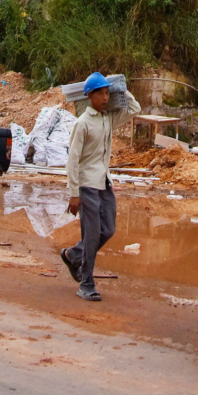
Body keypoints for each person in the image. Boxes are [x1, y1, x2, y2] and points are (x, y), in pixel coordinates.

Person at [61, 72, 141, 301]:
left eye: (107, 93)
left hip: (104, 183)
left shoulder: (108, 119)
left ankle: (73, 255)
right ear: (89, 96)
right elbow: (72, 160)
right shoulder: (82, 123)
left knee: (108, 230)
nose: (105, 97)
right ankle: (86, 284)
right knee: (93, 234)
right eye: (101, 93)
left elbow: (135, 109)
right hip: (86, 185)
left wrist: (121, 88)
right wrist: (73, 194)